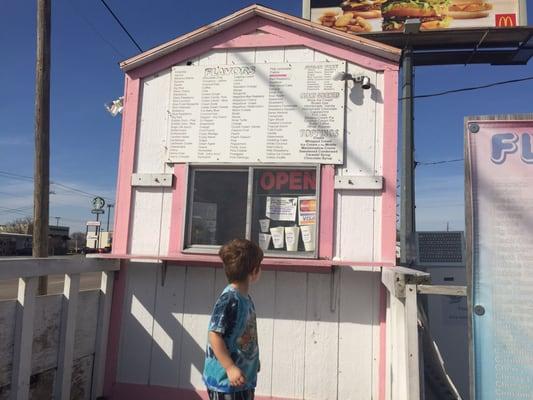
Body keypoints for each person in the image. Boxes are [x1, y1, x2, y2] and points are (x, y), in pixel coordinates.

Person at [203, 239, 263, 400]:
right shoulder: (229, 299)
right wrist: (230, 367)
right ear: (254, 270)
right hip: (226, 384)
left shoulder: (245, 299)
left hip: (243, 380)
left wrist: (253, 359)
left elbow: (245, 333)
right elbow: (214, 334)